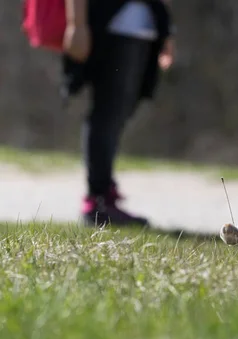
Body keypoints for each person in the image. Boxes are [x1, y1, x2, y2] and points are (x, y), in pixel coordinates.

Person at [62, 0, 174, 227]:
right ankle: (97, 201)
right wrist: (76, 24)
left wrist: (167, 30)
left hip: (144, 26)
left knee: (121, 111)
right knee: (107, 112)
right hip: (111, 25)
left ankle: (104, 194)